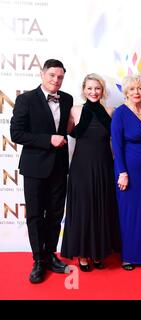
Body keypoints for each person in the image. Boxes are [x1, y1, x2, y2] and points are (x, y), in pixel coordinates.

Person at [10, 59, 72, 283]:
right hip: (35, 167)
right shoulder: (25, 99)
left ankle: (50, 255)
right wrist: (49, 140)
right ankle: (38, 260)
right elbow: (17, 134)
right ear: (42, 74)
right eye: (52, 75)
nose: (56, 80)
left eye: (60, 77)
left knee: (55, 215)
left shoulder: (67, 99)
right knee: (36, 215)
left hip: (59, 167)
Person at [61, 73, 121, 271]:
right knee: (83, 209)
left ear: (102, 90)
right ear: (83, 90)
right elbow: (66, 131)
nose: (93, 92)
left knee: (101, 207)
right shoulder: (75, 110)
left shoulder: (111, 111)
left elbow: (117, 140)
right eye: (89, 88)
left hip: (104, 165)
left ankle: (98, 252)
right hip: (82, 167)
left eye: (97, 88)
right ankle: (83, 254)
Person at [111, 73, 141, 270]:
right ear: (126, 92)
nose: (136, 92)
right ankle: (129, 256)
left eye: (140, 88)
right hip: (128, 170)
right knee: (129, 213)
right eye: (132, 89)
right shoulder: (120, 113)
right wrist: (122, 172)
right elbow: (117, 145)